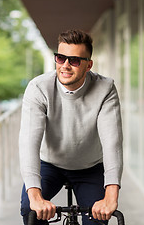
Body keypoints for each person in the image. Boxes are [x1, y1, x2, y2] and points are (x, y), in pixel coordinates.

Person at [19, 29, 123, 225]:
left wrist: (111, 194)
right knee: (29, 209)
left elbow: (113, 143)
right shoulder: (38, 88)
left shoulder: (105, 89)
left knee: (97, 220)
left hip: (90, 166)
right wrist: (35, 197)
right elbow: (28, 144)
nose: (65, 65)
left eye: (74, 60)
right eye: (60, 58)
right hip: (49, 164)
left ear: (88, 65)